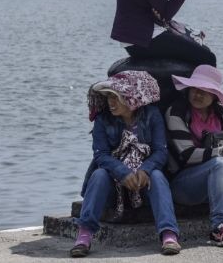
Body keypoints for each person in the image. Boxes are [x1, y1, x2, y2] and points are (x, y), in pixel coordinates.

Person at [72, 70, 181, 257]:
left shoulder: (152, 115)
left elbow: (160, 151)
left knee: (156, 175)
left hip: (143, 185)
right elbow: (102, 155)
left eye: (116, 97)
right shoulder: (102, 120)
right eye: (108, 97)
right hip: (114, 188)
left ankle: (169, 234)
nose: (110, 102)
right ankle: (84, 235)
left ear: (132, 98)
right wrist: (122, 173)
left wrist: (145, 170)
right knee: (99, 174)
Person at [164, 65, 223, 247]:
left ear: (214, 95)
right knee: (219, 163)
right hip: (183, 185)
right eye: (195, 89)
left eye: (204, 92)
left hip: (218, 180)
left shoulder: (221, 114)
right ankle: (218, 227)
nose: (198, 95)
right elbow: (186, 155)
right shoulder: (176, 112)